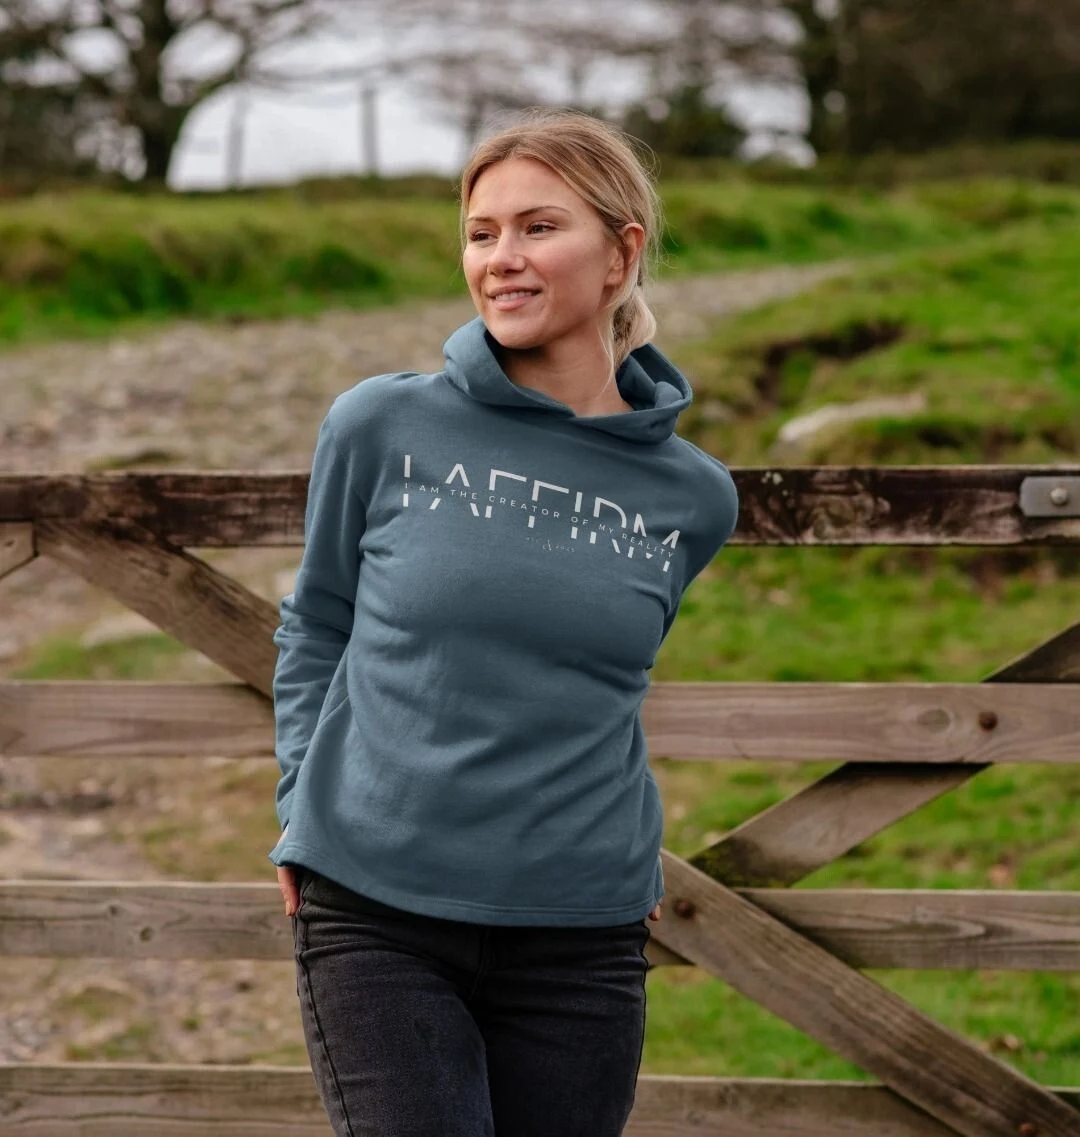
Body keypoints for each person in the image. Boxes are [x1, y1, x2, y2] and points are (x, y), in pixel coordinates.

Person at [269, 107, 739, 1137]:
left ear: (621, 254)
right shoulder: (380, 424)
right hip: (378, 910)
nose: (501, 259)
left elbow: (594, 686)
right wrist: (303, 801)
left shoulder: (694, 497)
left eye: (538, 227)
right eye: (481, 234)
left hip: (582, 933)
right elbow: (316, 625)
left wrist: (616, 868)